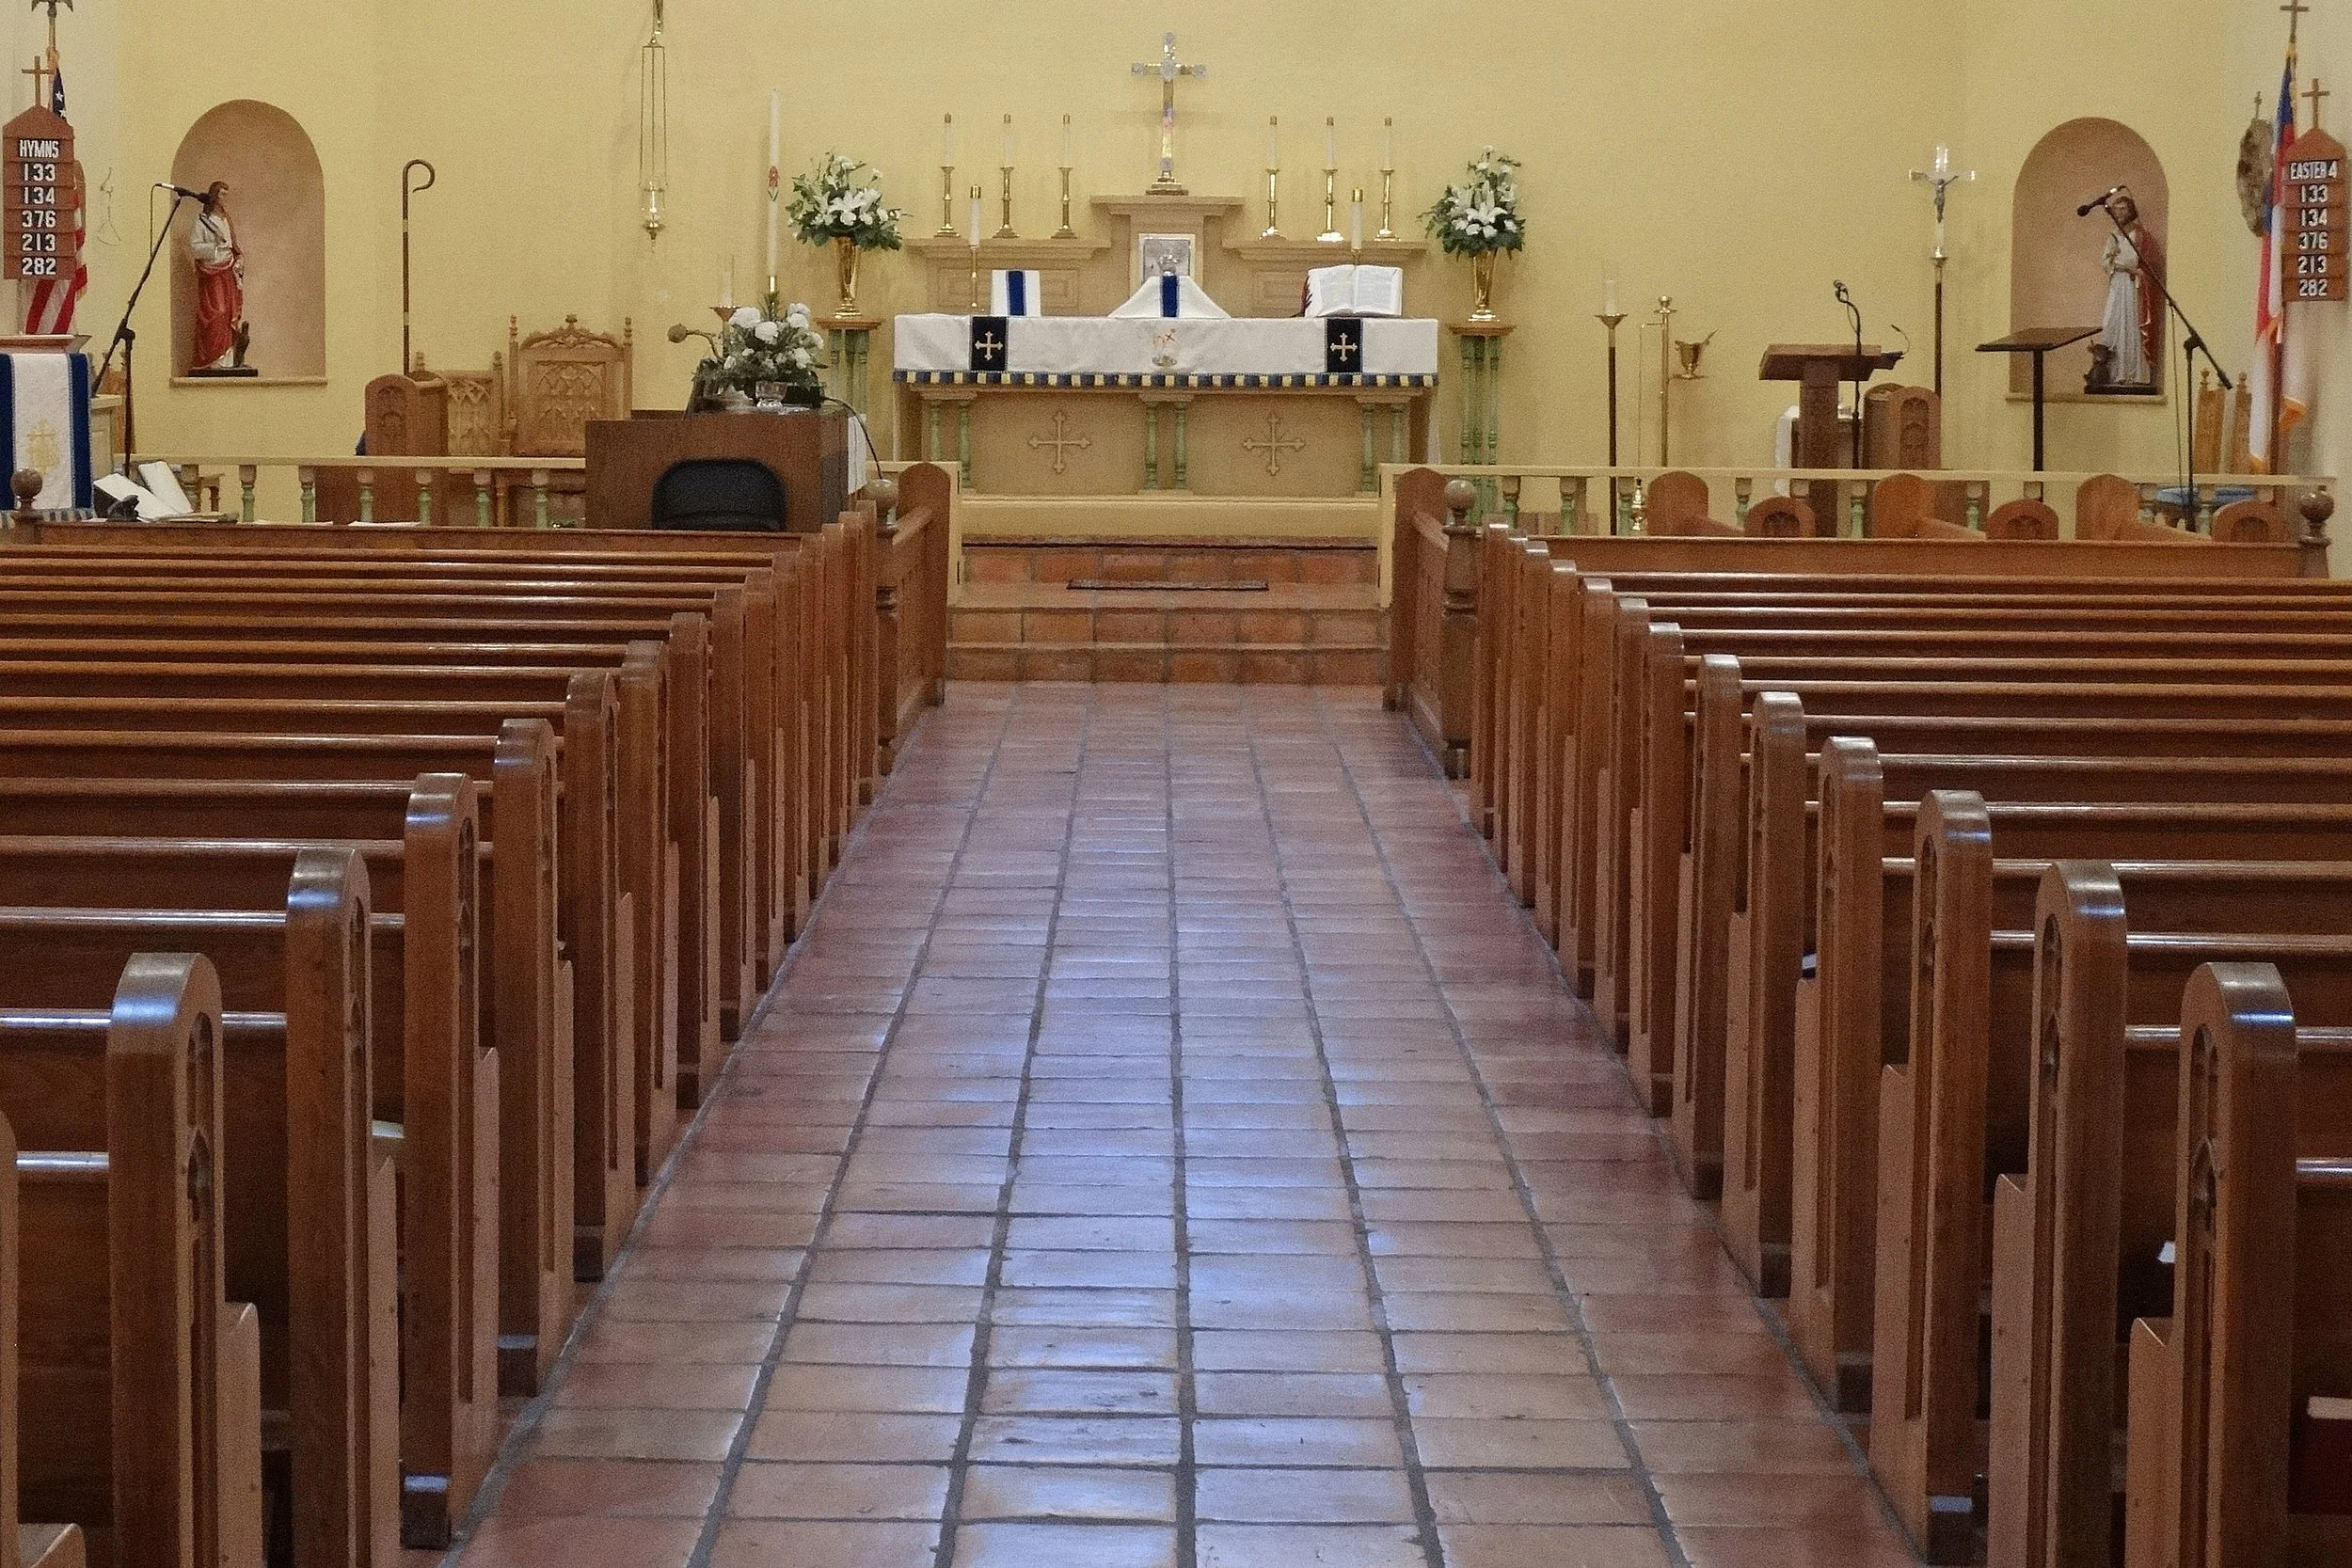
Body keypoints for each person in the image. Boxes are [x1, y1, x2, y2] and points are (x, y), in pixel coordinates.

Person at [2094, 189, 2164, 390]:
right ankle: (2115, 373)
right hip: (2118, 284)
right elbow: (2106, 261)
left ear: (2131, 211)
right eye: (2117, 210)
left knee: (2132, 325)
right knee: (2113, 322)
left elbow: (2146, 261)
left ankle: (2134, 374)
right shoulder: (2113, 235)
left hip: (2135, 287)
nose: (2120, 213)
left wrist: (2126, 264)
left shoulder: (2141, 236)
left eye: (2124, 209)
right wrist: (2115, 262)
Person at [188, 181, 246, 372]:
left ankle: (227, 361)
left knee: (228, 313)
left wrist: (239, 259)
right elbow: (196, 248)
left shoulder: (226, 220)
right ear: (214, 196)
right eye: (222, 194)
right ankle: (212, 360)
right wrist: (215, 248)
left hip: (227, 271)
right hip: (212, 272)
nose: (224, 199)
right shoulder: (202, 221)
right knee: (217, 312)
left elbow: (234, 246)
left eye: (226, 195)